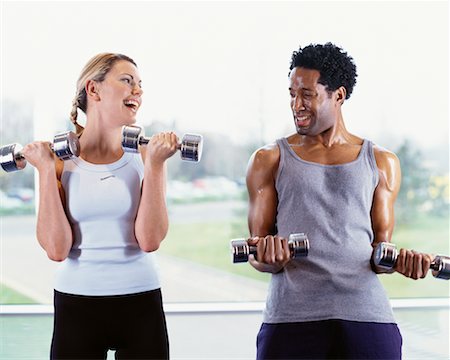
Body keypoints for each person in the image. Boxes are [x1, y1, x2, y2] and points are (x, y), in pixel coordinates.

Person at [245, 42, 433, 359]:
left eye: (307, 94)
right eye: (292, 93)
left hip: (366, 316)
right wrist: (267, 257)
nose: (296, 104)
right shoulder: (269, 159)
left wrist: (403, 263)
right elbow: (256, 249)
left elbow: (380, 253)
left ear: (338, 95)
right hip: (292, 318)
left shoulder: (382, 161)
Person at [21, 53, 177, 359]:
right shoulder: (57, 161)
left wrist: (157, 166)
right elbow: (56, 249)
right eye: (127, 81)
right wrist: (42, 170)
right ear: (94, 90)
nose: (138, 91)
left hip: (140, 300)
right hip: (77, 304)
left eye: (140, 84)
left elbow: (150, 240)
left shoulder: (147, 156)